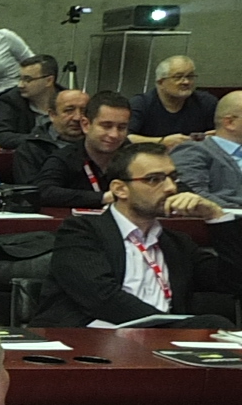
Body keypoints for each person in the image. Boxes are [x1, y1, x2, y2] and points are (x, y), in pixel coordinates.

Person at [29, 141, 236, 329]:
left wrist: (217, 217)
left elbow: (233, 282)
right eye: (154, 179)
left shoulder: (177, 243)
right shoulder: (81, 231)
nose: (171, 188)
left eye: (173, 178)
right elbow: (101, 298)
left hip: (163, 341)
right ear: (120, 189)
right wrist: (169, 325)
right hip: (92, 337)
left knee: (216, 325)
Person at [34, 91, 133, 207]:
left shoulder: (135, 158)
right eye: (106, 126)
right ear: (86, 125)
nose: (114, 134)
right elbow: (43, 192)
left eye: (121, 127)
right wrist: (103, 198)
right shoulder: (64, 158)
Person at [172, 92, 242, 208]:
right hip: (225, 216)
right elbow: (192, 195)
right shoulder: (192, 151)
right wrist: (232, 212)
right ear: (230, 123)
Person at [132, 55, 220, 145]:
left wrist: (215, 137)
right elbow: (127, 137)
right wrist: (162, 141)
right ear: (160, 82)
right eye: (178, 77)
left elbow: (221, 133)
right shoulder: (141, 104)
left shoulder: (206, 102)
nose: (186, 82)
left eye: (190, 76)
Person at [8, 87, 87, 185]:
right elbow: (30, 191)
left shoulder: (98, 146)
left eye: (84, 111)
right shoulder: (31, 149)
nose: (77, 117)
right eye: (69, 111)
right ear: (52, 115)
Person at [0, 54, 63, 147]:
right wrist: (39, 141)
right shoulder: (11, 100)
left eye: (28, 79)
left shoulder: (70, 101)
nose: (20, 85)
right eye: (20, 78)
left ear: (49, 80)